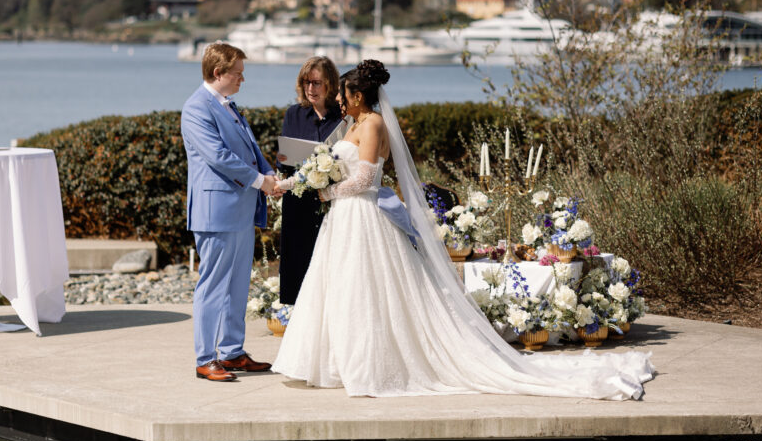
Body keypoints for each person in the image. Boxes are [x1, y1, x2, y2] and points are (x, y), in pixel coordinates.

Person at [272, 60, 655, 399]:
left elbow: (366, 180)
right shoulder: (355, 123)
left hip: (362, 217)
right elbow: (326, 166)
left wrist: (328, 192)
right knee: (343, 289)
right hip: (345, 220)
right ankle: (336, 361)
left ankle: (369, 363)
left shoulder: (372, 125)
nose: (339, 99)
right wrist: (297, 184)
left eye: (344, 93)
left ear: (358, 95)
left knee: (368, 291)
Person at [181, 42, 283, 382]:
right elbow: (218, 157)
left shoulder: (228, 105)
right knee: (212, 286)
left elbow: (250, 151)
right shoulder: (196, 108)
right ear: (217, 73)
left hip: (239, 209)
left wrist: (270, 176)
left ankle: (233, 352)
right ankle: (205, 358)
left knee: (238, 285)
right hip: (216, 211)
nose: (242, 79)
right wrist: (260, 182)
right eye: (237, 73)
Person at [275, 56, 343, 305]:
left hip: (332, 201)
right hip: (298, 199)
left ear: (330, 84)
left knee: (330, 263)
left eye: (317, 83)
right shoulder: (294, 113)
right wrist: (281, 160)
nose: (311, 89)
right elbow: (283, 159)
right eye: (306, 83)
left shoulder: (343, 116)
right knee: (297, 263)